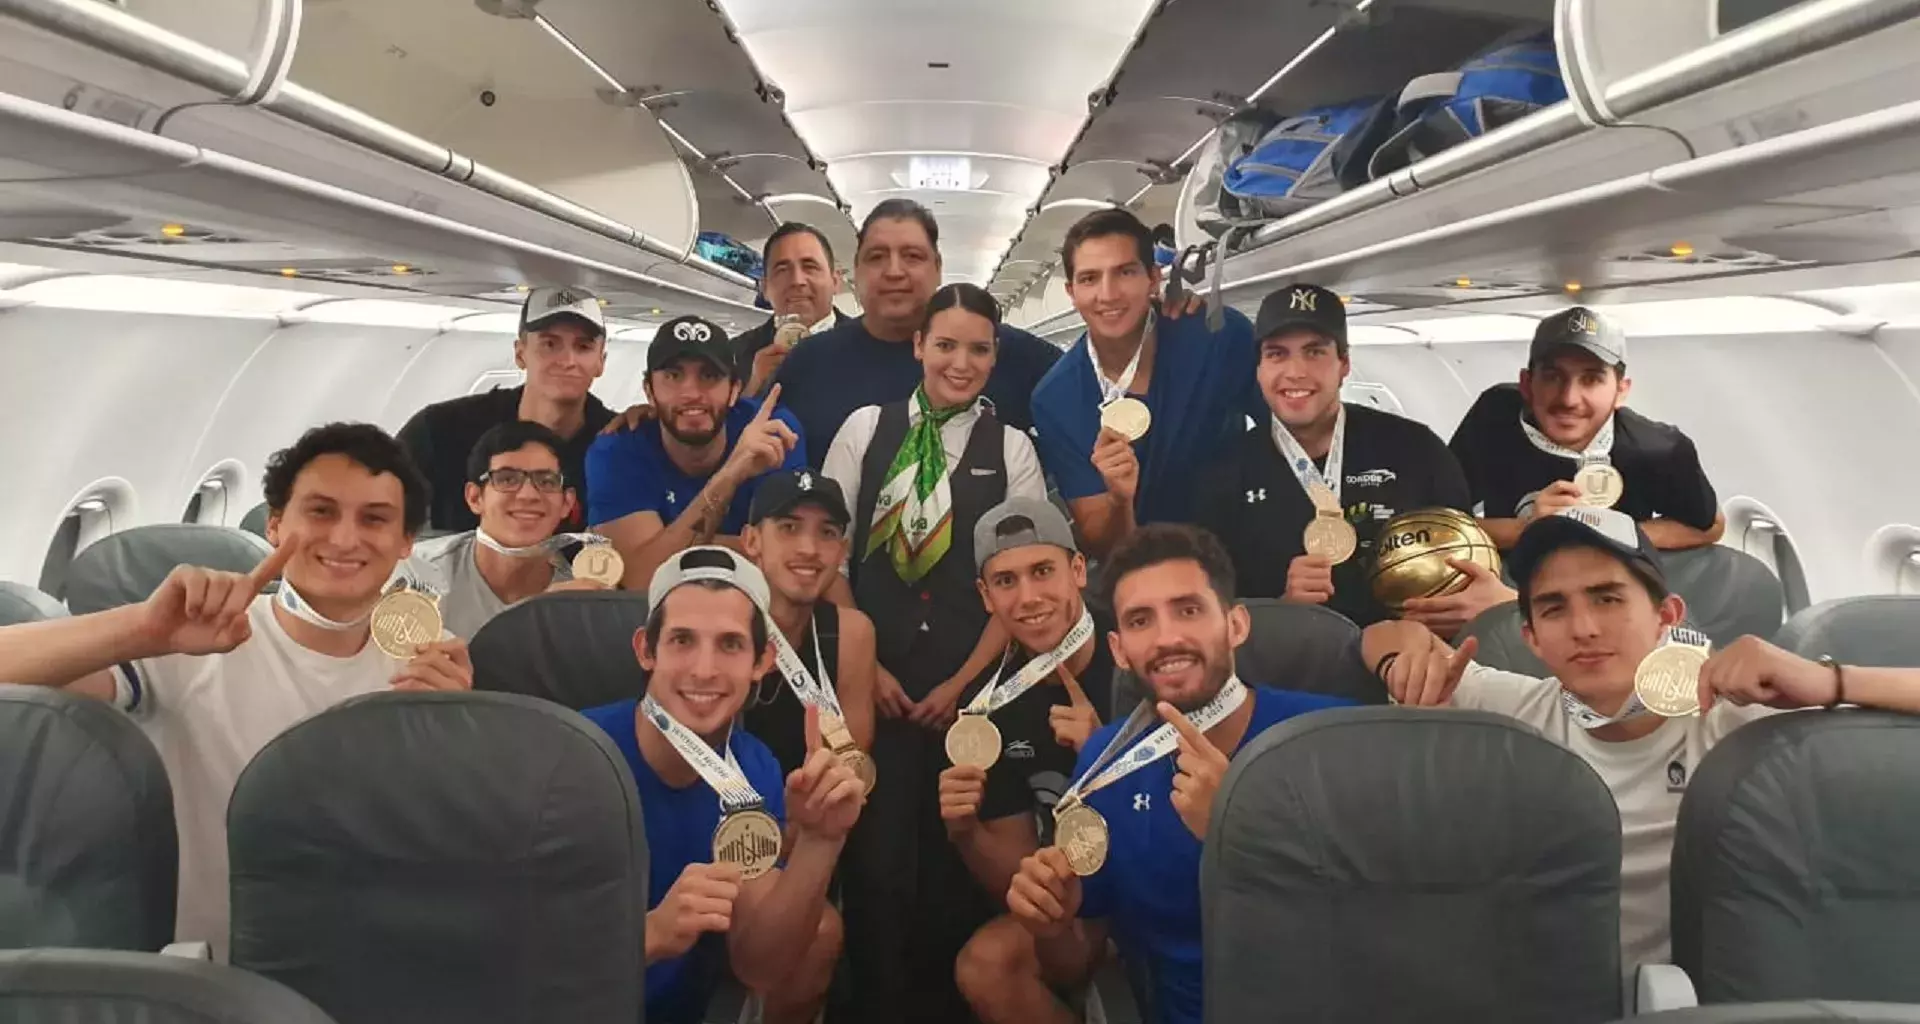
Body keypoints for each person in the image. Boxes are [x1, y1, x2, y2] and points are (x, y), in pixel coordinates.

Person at [1359, 505, 1920, 966]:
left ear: (1665, 615)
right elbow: (1381, 635)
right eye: (1555, 609)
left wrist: (1828, 679)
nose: (1584, 628)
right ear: (1530, 637)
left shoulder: (1734, 720)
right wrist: (1400, 652)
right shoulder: (1515, 708)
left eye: (1608, 598)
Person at [0, 423, 473, 958]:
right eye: (320, 511)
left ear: (406, 542)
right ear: (275, 525)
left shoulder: (433, 660)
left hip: (368, 955)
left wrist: (450, 737)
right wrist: (144, 630)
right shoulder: (189, 638)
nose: (344, 538)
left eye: (375, 518)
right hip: (209, 964)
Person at [1002, 524, 1348, 1024]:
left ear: (1236, 626)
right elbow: (1076, 968)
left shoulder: (1327, 735)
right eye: (1141, 621)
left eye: (1188, 610)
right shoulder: (1104, 767)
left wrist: (1235, 832)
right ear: (1120, 651)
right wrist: (1051, 927)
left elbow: (1375, 925)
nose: (1167, 638)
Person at [818, 283, 1049, 1024]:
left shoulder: (1010, 448)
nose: (960, 361)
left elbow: (1021, 582)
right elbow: (831, 558)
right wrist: (868, 665)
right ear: (917, 346)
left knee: (959, 859)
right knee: (878, 863)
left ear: (995, 356)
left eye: (978, 348)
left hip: (975, 686)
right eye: (944, 344)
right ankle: (876, 1004)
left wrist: (963, 680)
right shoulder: (864, 429)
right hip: (871, 681)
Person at [580, 547, 863, 1024]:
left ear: (763, 661)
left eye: (730, 644)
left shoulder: (754, 770)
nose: (705, 670)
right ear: (645, 651)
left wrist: (820, 841)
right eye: (682, 641)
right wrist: (646, 937)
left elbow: (761, 968)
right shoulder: (575, 758)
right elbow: (511, 950)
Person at [1193, 282, 1501, 631]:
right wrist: (1281, 608)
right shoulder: (1225, 472)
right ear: (1259, 369)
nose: (1295, 371)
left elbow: (1466, 561)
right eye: (1277, 354)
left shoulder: (1416, 450)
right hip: (1287, 672)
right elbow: (1210, 612)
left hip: (1411, 667)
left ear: (1344, 364)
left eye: (1314, 352)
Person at [948, 498, 1115, 1022]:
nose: (1028, 598)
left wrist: (1106, 755)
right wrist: (966, 831)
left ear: (1078, 570)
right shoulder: (983, 710)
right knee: (985, 966)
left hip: (1167, 879)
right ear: (984, 596)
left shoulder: (1136, 649)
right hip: (1083, 903)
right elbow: (1018, 884)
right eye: (1005, 581)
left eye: (1043, 571)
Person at [1030, 209, 1267, 557]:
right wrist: (1118, 499)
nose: (1108, 294)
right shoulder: (1056, 399)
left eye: (1125, 272)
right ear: (1072, 292)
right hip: (1142, 568)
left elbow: (1288, 432)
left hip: (1240, 553)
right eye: (1090, 278)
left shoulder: (1217, 335)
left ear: (1153, 279)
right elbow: (1102, 544)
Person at [772, 199, 1060, 467]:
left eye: (912, 256)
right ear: (856, 270)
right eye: (877, 257)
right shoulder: (808, 362)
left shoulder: (1012, 355)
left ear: (938, 268)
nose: (894, 271)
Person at [1449, 306, 1724, 551]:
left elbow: (1711, 526)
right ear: (1526, 384)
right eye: (1553, 377)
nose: (1569, 399)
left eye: (1591, 379)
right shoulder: (1494, 418)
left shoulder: (1657, 449)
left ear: (1621, 391)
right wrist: (1527, 529)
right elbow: (1436, 520)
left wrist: (1610, 533)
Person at [587, 315, 807, 589]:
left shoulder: (773, 431)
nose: (691, 393)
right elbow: (641, 580)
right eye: (673, 376)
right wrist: (729, 476)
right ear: (649, 391)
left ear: (734, 390)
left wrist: (670, 541)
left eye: (709, 376)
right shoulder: (618, 451)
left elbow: (792, 557)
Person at [399, 286, 615, 533]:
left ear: (601, 362)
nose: (567, 361)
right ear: (520, 353)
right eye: (550, 344)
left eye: (583, 347)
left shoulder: (619, 443)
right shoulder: (440, 430)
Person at [403, 421, 612, 639]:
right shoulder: (416, 573)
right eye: (507, 479)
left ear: (567, 504)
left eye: (547, 481)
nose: (528, 495)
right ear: (474, 498)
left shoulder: (580, 600)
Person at [739, 468, 878, 776]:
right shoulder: (720, 628)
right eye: (789, 527)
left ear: (842, 551)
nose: (809, 549)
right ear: (752, 541)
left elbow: (850, 770)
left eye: (827, 533)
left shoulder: (852, 635)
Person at [732, 223, 852, 398]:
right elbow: (722, 424)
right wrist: (754, 387)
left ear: (835, 281)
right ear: (764, 288)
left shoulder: (871, 348)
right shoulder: (734, 355)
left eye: (810, 266)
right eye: (782, 269)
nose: (797, 280)